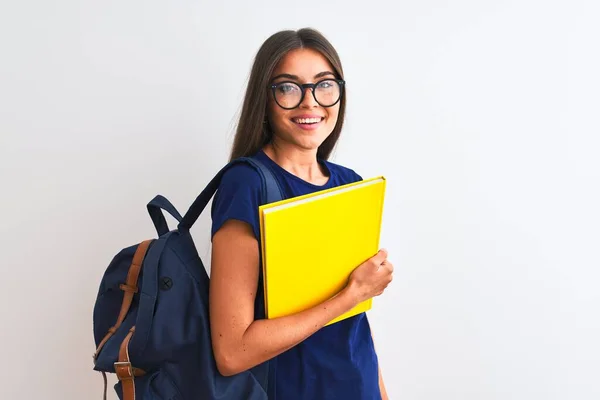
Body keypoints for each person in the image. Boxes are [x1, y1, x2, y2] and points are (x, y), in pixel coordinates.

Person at [209, 28, 394, 400]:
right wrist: (352, 294)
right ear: (266, 98)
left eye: (324, 85)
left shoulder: (349, 184)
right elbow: (232, 352)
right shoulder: (247, 185)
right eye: (288, 88)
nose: (310, 103)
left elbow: (356, 324)